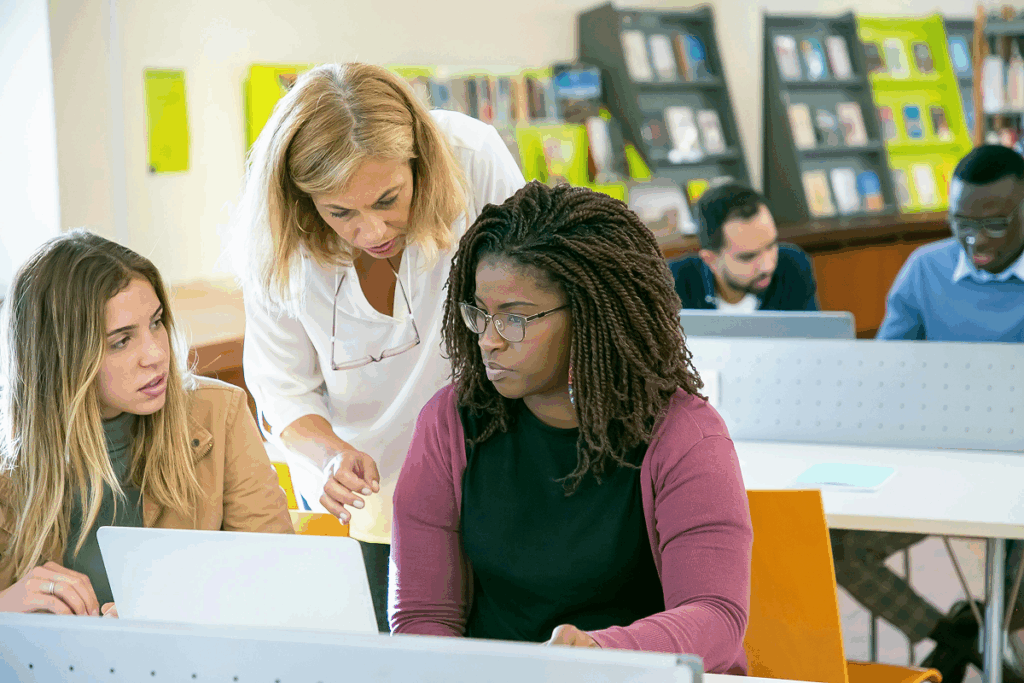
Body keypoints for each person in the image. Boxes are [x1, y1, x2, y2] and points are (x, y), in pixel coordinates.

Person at [390, 182, 753, 672]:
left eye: (515, 318)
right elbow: (423, 617)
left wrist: (597, 655)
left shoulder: (685, 435)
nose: (489, 341)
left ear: (591, 314)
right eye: (480, 314)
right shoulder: (449, 423)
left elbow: (716, 617)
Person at [235, 63, 526, 631]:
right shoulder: (279, 242)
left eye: (389, 198)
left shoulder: (472, 156)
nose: (372, 231)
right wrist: (327, 459)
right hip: (370, 505)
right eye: (340, 212)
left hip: (499, 471)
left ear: (419, 159)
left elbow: (530, 299)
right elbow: (283, 389)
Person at [0, 231, 292, 616]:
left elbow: (280, 580)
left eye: (156, 323)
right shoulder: (11, 465)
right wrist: (6, 606)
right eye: (121, 341)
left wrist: (177, 613)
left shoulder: (220, 413)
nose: (156, 354)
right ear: (61, 358)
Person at [836, 145, 1024, 683]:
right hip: (944, 465)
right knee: (841, 548)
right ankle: (957, 636)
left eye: (995, 223)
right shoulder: (926, 270)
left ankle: (993, 639)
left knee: (1017, 583)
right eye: (962, 222)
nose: (976, 239)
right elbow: (887, 376)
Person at [671, 183, 819, 312]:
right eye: (748, 257)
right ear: (711, 259)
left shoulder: (792, 266)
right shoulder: (674, 284)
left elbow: (811, 341)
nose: (767, 266)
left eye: (771, 245)